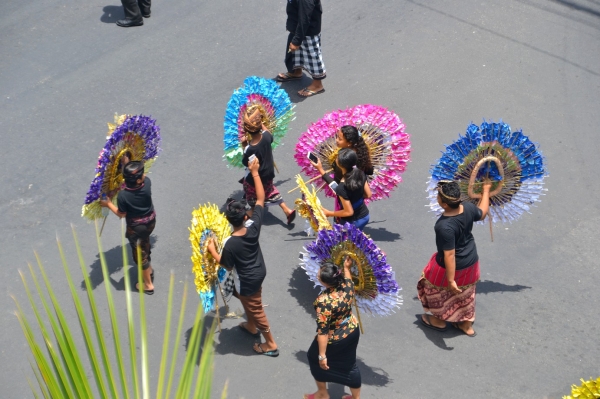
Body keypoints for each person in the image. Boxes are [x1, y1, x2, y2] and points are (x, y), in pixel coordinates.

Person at [207, 158, 279, 357]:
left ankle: (270, 343)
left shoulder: (231, 243)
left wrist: (213, 250)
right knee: (248, 299)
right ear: (245, 217)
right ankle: (251, 325)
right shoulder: (253, 226)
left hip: (247, 279)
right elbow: (261, 199)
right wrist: (255, 172)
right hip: (258, 272)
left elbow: (227, 266)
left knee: (256, 309)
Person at [417, 179, 492, 337]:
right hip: (471, 261)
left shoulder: (444, 226)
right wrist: (486, 191)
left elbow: (449, 255)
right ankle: (465, 324)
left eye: (438, 196)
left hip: (452, 266)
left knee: (434, 289)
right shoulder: (469, 208)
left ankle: (440, 320)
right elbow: (483, 213)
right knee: (466, 293)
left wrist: (451, 280)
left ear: (443, 204)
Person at [305, 257, 361, 399]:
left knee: (313, 358)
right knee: (350, 365)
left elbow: (323, 332)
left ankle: (322, 393)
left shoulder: (323, 301)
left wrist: (322, 356)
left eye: (319, 276)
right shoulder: (347, 284)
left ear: (325, 282)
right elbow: (347, 275)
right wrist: (347, 268)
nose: (317, 275)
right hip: (352, 330)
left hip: (335, 337)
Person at [100, 161, 156, 294]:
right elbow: (142, 176)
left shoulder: (123, 196)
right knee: (145, 243)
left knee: (140, 256)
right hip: (151, 222)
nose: (144, 175)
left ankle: (148, 285)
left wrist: (108, 204)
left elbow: (121, 214)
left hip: (136, 229)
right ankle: (150, 270)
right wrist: (127, 163)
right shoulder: (147, 183)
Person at [241, 107, 296, 225]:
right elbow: (268, 133)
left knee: (254, 196)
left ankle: (250, 213)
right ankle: (287, 210)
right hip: (269, 173)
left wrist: (244, 145)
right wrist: (261, 123)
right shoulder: (266, 137)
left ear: (247, 130)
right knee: (270, 190)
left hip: (257, 178)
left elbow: (246, 163)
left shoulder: (250, 149)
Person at [311, 148, 371, 230]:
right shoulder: (360, 173)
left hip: (352, 222)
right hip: (365, 216)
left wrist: (329, 213)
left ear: (339, 164)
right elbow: (368, 194)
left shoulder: (342, 187)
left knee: (343, 242)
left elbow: (349, 212)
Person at [276, 0, 326, 98]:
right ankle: (296, 72)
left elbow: (305, 18)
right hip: (297, 28)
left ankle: (317, 85)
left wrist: (297, 40)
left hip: (307, 30)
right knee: (295, 53)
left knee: (312, 56)